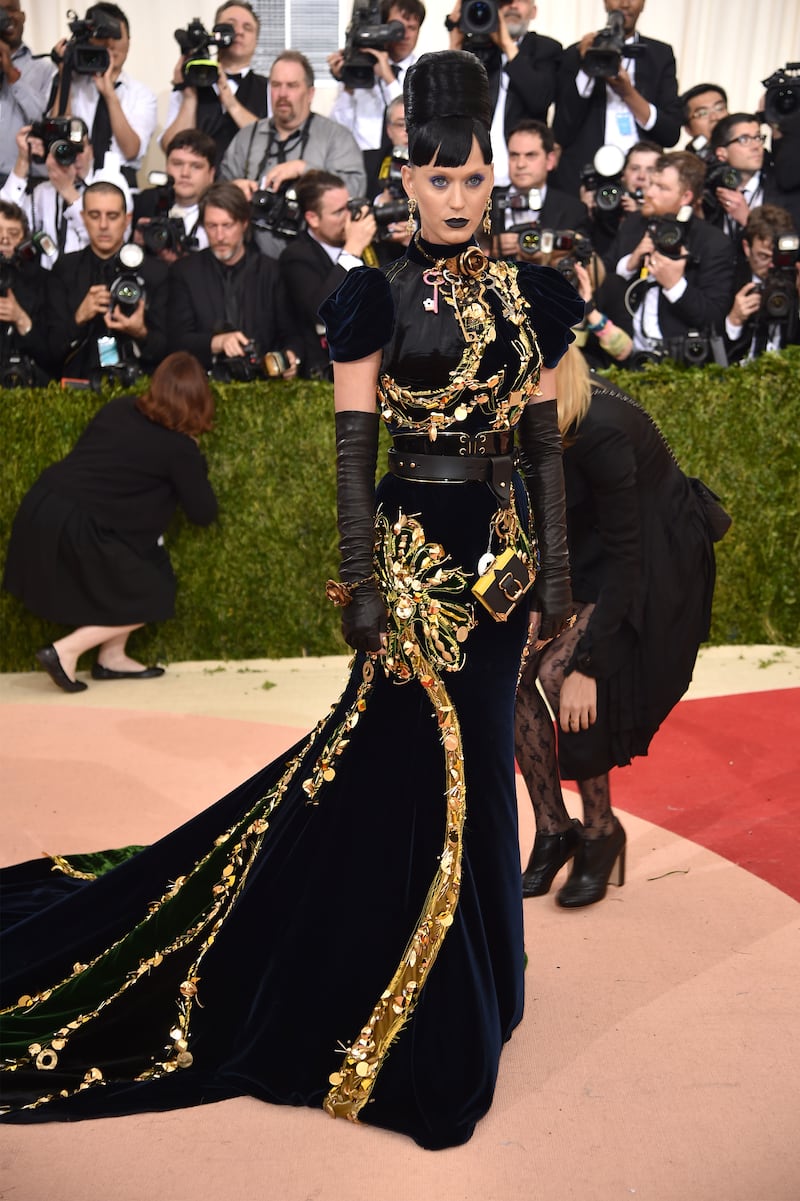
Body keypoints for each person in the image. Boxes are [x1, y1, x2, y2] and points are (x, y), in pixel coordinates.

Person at [0, 50, 583, 1149]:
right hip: (414, 565)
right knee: (421, 771)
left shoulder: (535, 294)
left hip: (498, 572)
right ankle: (415, 998)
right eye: (438, 177)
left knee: (480, 766)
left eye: (473, 178)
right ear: (404, 178)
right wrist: (361, 581)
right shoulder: (369, 296)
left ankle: (484, 975)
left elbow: (543, 444)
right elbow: (354, 453)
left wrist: (555, 576)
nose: (458, 196)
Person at [515, 345, 720, 907]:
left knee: (560, 675)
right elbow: (546, 520)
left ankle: (601, 831)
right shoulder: (533, 414)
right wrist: (535, 601)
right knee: (511, 669)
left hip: (654, 558)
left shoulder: (598, 428)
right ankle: (554, 830)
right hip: (590, 545)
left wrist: (589, 665)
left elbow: (629, 559)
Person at [3, 351, 217, 692]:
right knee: (153, 593)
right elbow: (203, 513)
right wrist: (195, 454)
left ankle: (111, 658)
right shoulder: (180, 448)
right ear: (199, 401)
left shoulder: (121, 407)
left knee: (143, 573)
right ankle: (64, 652)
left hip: (43, 505)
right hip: (80, 524)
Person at [219, 50, 366, 259]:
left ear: (310, 93)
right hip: (251, 261)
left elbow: (356, 190)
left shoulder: (336, 137)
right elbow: (217, 193)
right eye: (276, 85)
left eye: (292, 86)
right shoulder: (247, 136)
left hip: (316, 263)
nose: (282, 94)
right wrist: (233, 191)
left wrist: (306, 170)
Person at [604, 151, 734, 365]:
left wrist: (675, 285)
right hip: (624, 357)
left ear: (686, 197)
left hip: (680, 363)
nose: (649, 193)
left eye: (662, 187)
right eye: (651, 184)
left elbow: (714, 319)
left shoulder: (712, 242)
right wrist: (629, 264)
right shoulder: (633, 224)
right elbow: (601, 279)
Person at [168, 180, 301, 376]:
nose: (220, 236)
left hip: (265, 382)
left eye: (227, 225)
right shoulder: (184, 272)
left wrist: (291, 358)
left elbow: (293, 335)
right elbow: (176, 340)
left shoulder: (272, 272)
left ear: (244, 223)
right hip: (203, 381)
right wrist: (218, 342)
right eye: (212, 226)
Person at [552, 0, 682, 197]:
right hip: (585, 180)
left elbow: (670, 133)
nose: (625, 3)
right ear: (605, 2)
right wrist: (587, 65)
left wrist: (628, 93)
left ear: (643, 3)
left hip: (643, 182)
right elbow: (562, 131)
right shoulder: (575, 53)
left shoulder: (659, 55)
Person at [48, 178, 169, 382]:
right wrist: (79, 317)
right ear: (83, 217)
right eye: (95, 216)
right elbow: (49, 350)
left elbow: (169, 349)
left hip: (137, 386)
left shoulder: (155, 272)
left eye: (112, 216)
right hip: (77, 384)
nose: (103, 225)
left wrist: (141, 332)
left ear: (127, 219)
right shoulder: (65, 269)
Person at [446, 0, 561, 187]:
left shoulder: (546, 49)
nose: (513, 5)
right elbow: (447, 102)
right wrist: (455, 43)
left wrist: (507, 44)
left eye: (521, 0)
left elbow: (540, 99)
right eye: (505, 1)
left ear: (533, 11)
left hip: (523, 175)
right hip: (473, 172)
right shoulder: (475, 49)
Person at [279, 170, 378, 379]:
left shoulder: (369, 242)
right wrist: (352, 251)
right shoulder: (296, 256)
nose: (349, 217)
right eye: (338, 212)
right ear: (313, 218)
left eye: (348, 206)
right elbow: (322, 312)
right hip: (327, 374)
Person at [49, 3, 157, 188]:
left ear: (129, 41)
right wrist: (64, 72)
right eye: (102, 36)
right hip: (72, 180)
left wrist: (109, 94)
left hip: (120, 185)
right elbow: (57, 134)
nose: (110, 43)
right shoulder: (72, 82)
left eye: (116, 36)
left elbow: (131, 150)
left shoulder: (142, 94)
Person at [160, 2, 269, 168]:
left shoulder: (269, 88)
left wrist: (231, 104)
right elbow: (171, 148)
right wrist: (189, 98)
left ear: (256, 41)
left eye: (247, 28)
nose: (239, 32)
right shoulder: (189, 81)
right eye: (231, 25)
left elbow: (271, 144)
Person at [328, 0, 425, 153]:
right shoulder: (360, 67)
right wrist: (348, 85)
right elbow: (339, 131)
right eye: (396, 28)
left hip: (407, 160)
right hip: (361, 161)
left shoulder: (425, 73)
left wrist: (389, 79)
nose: (404, 35)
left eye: (412, 28)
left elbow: (416, 126)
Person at [491, 119, 590, 262]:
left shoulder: (573, 211)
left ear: (550, 160)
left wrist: (549, 254)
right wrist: (488, 249)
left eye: (530, 155)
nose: (520, 164)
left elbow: (585, 260)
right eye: (514, 155)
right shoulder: (486, 202)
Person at [0, 119, 93, 266]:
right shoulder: (43, 191)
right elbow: (6, 217)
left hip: (89, 275)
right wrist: (23, 160)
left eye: (78, 148)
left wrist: (68, 191)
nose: (74, 156)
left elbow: (103, 238)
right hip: (46, 276)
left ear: (91, 151)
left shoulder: (110, 185)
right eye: (63, 148)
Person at [723, 204, 800, 363]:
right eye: (763, 257)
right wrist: (734, 321)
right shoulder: (729, 281)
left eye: (778, 257)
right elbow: (715, 357)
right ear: (747, 248)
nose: (771, 265)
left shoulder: (796, 282)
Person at [133, 129, 217, 261]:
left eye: (196, 166)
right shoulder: (147, 202)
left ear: (211, 174)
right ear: (166, 167)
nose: (185, 173)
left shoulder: (221, 209)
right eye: (177, 164)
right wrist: (136, 246)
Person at [0, 199, 58, 382]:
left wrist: (21, 319)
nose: (4, 239)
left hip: (32, 381)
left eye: (13, 233)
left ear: (24, 239)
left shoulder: (45, 282)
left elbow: (54, 355)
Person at [0, 0, 55, 185]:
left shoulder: (45, 70)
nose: (6, 17)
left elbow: (46, 121)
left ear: (23, 16)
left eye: (11, 10)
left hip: (26, 182)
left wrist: (12, 75)